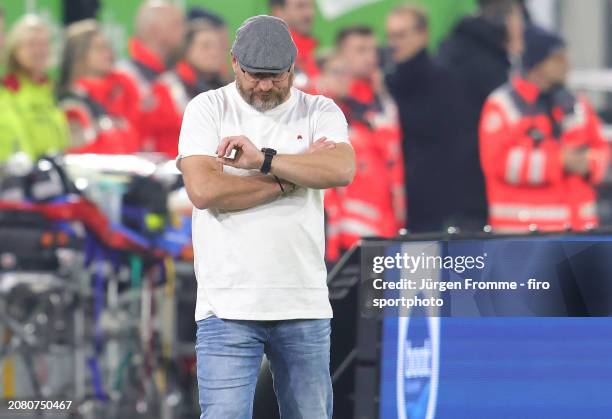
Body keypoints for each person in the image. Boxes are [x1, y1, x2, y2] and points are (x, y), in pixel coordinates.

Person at [177, 15, 355, 418]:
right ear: (235, 63)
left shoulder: (319, 110)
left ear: (292, 67)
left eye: (275, 77)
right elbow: (205, 191)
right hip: (227, 306)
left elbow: (340, 170)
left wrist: (263, 159)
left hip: (303, 303)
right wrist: (287, 177)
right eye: (254, 75)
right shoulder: (208, 108)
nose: (263, 86)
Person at [479, 27, 610, 233]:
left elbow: (603, 147)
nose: (567, 65)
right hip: (522, 235)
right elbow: (498, 162)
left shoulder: (576, 104)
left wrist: (589, 164)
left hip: (579, 231)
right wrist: (559, 161)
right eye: (557, 58)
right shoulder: (503, 105)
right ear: (537, 64)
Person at [436, 0, 525, 230]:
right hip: (482, 189)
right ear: (504, 22)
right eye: (519, 19)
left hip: (448, 184)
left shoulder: (451, 50)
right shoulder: (496, 68)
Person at [385, 5, 474, 233]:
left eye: (402, 35)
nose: (395, 43)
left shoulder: (444, 82)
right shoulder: (388, 82)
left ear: (423, 35)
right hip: (392, 201)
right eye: (391, 36)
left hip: (430, 205)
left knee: (422, 267)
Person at [334, 25, 405, 246]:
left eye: (372, 50)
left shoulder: (384, 101)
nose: (369, 58)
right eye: (360, 50)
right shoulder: (334, 103)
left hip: (388, 221)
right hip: (351, 228)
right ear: (341, 55)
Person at [58, 19, 140, 154]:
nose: (108, 54)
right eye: (99, 48)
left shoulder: (121, 90)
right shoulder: (71, 102)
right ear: (79, 55)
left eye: (108, 47)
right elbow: (77, 151)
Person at [149, 20, 228, 157]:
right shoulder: (168, 86)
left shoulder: (227, 87)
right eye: (206, 46)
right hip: (176, 167)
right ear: (187, 50)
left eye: (218, 47)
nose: (215, 53)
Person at [115, 0, 185, 150]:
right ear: (154, 30)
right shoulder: (125, 76)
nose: (184, 31)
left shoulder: (174, 75)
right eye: (176, 24)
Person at [1, 15, 68, 161]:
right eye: (31, 44)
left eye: (44, 44)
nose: (39, 51)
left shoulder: (49, 89)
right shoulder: (10, 89)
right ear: (15, 49)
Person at [270, 0, 319, 89]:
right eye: (300, 6)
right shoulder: (268, 52)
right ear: (278, 12)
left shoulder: (310, 52)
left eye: (311, 6)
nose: (309, 13)